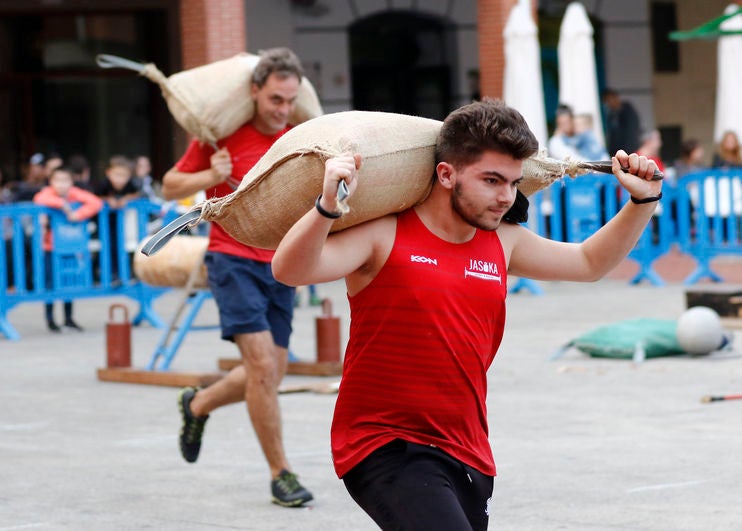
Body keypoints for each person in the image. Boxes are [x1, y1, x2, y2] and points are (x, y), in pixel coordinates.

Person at [271, 98, 661, 530]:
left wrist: (642, 202)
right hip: (385, 443)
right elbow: (289, 270)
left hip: (467, 447)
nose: (504, 197)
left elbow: (590, 264)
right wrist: (327, 206)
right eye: (491, 180)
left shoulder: (504, 242)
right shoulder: (385, 235)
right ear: (446, 173)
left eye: (512, 183)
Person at [160, 47, 313, 507]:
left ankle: (197, 404)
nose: (281, 109)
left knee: (269, 372)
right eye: (274, 99)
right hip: (232, 259)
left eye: (289, 100)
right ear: (254, 92)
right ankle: (280, 473)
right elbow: (170, 185)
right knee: (263, 368)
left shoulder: (294, 139)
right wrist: (211, 172)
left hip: (280, 264)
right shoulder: (221, 137)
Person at [33, 165, 103, 331]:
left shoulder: (75, 194)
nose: (62, 184)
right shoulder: (47, 194)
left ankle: (68, 318)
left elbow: (96, 202)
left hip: (70, 245)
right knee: (50, 283)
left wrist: (77, 214)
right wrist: (62, 204)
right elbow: (39, 199)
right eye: (58, 181)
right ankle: (50, 319)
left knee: (68, 283)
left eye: (65, 181)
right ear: (51, 182)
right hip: (50, 246)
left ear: (72, 182)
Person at [94, 155, 141, 283]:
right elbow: (95, 197)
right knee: (108, 246)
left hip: (124, 222)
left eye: (123, 175)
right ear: (108, 173)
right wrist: (108, 200)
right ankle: (108, 273)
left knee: (126, 245)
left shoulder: (131, 185)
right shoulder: (103, 185)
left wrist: (125, 199)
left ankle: (127, 273)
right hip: (105, 223)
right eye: (117, 175)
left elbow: (137, 194)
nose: (120, 179)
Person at [602, 88, 641, 155]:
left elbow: (631, 133)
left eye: (609, 100)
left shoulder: (628, 111)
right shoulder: (612, 114)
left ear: (616, 98)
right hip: (616, 152)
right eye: (606, 102)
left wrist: (628, 152)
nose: (608, 104)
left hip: (628, 151)